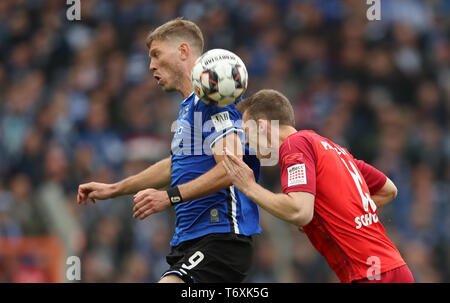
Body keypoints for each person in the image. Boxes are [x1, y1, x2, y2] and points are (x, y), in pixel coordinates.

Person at [77, 18, 262, 283]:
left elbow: (233, 169)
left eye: (156, 55)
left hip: (219, 236)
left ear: (183, 52)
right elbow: (175, 165)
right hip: (189, 240)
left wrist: (169, 197)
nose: (151, 65)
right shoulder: (189, 108)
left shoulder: (213, 96)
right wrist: (115, 189)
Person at [222, 89, 414, 283]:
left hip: (369, 272)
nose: (248, 142)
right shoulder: (332, 148)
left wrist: (248, 186)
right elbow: (388, 189)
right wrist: (342, 215)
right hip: (395, 267)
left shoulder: (294, 145)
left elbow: (299, 212)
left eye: (247, 132)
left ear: (262, 126)